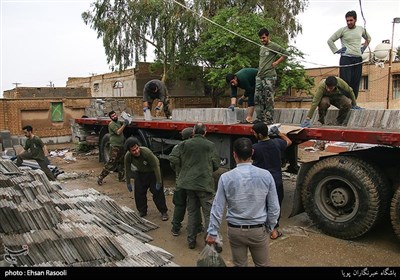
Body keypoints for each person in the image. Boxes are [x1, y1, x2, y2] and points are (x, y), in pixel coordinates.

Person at [206, 137, 280, 267]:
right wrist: (270, 226)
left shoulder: (226, 178)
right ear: (252, 153)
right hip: (258, 230)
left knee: (239, 264)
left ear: (234, 154)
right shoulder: (266, 175)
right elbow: (274, 207)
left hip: (235, 231)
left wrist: (212, 232)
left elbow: (217, 207)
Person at [170, 122, 220, 249]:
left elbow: (173, 159)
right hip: (204, 185)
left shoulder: (184, 144)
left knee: (192, 213)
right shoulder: (210, 145)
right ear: (205, 132)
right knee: (208, 213)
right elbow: (216, 165)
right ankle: (209, 243)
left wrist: (183, 169)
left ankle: (191, 241)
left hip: (188, 185)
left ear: (193, 132)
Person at [251, 122, 292, 240]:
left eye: (254, 133)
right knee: (275, 205)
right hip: (276, 180)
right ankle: (273, 230)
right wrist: (279, 133)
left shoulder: (254, 148)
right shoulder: (277, 143)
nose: (253, 134)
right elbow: (289, 142)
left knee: (261, 204)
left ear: (259, 134)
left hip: (261, 182)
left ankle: (260, 228)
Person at [327, 10, 371, 100]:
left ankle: (353, 102)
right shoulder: (343, 30)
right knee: (345, 81)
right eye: (347, 20)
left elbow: (369, 38)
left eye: (351, 20)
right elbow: (330, 40)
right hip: (346, 58)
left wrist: (363, 48)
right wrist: (336, 51)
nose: (349, 22)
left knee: (356, 81)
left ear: (355, 20)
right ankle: (345, 102)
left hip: (358, 59)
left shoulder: (361, 29)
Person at [169, 127, 203, 236]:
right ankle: (197, 226)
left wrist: (179, 170)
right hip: (193, 182)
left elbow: (172, 162)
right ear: (192, 136)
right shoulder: (196, 148)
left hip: (181, 181)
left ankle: (175, 227)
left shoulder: (177, 147)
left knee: (179, 204)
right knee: (195, 205)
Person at [124, 137, 169, 221]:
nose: (136, 151)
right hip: (140, 173)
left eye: (137, 148)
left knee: (157, 193)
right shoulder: (128, 156)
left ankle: (163, 211)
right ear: (129, 151)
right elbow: (127, 169)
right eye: (133, 150)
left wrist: (159, 181)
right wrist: (128, 182)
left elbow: (156, 167)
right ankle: (142, 211)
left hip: (153, 172)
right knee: (139, 193)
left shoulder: (146, 152)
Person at [254, 28, 289, 125]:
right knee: (257, 98)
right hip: (260, 76)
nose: (262, 40)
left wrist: (277, 62)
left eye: (264, 38)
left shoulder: (272, 45)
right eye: (261, 38)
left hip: (269, 76)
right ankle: (260, 118)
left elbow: (286, 53)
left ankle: (269, 119)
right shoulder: (261, 47)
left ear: (268, 36)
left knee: (268, 98)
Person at [97, 111, 129, 185]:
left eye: (115, 115)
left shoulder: (118, 122)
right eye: (112, 116)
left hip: (121, 145)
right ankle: (100, 177)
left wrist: (126, 119)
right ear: (110, 118)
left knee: (121, 162)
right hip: (115, 146)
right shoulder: (111, 124)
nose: (114, 117)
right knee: (111, 163)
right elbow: (118, 132)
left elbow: (123, 123)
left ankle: (121, 178)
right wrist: (124, 124)